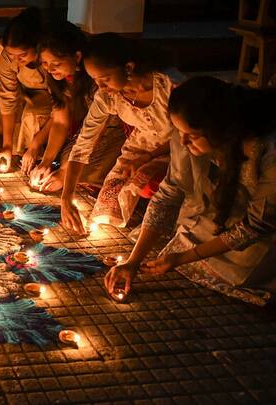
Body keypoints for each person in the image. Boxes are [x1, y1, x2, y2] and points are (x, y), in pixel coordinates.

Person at [105, 76, 276, 306]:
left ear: (221, 130)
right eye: (178, 131)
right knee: (185, 233)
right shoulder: (186, 133)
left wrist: (183, 258)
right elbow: (169, 193)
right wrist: (133, 261)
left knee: (242, 268)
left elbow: (255, 226)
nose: (182, 141)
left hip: (265, 234)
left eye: (192, 135)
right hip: (224, 217)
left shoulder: (268, 153)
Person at [60, 33, 177, 234]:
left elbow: (188, 134)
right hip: (142, 145)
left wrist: (147, 158)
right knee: (113, 193)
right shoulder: (108, 97)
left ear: (129, 68)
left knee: (143, 182)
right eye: (95, 80)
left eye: (104, 79)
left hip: (182, 146)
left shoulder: (169, 86)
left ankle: (162, 223)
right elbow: (83, 144)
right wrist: (66, 197)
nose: (101, 87)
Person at [25, 21, 125, 193]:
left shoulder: (96, 79)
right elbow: (60, 122)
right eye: (45, 63)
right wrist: (46, 162)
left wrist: (64, 173)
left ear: (77, 57)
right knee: (65, 158)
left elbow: (102, 128)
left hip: (114, 130)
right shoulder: (58, 80)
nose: (49, 69)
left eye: (56, 63)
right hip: (88, 130)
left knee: (83, 171)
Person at [0, 7, 52, 173]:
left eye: (22, 55)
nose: (16, 60)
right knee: (4, 100)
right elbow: (7, 95)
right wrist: (7, 146)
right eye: (12, 55)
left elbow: (63, 107)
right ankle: (14, 151)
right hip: (26, 92)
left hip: (52, 98)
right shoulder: (7, 57)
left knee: (33, 112)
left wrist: (34, 145)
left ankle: (38, 155)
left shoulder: (50, 62)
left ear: (37, 47)